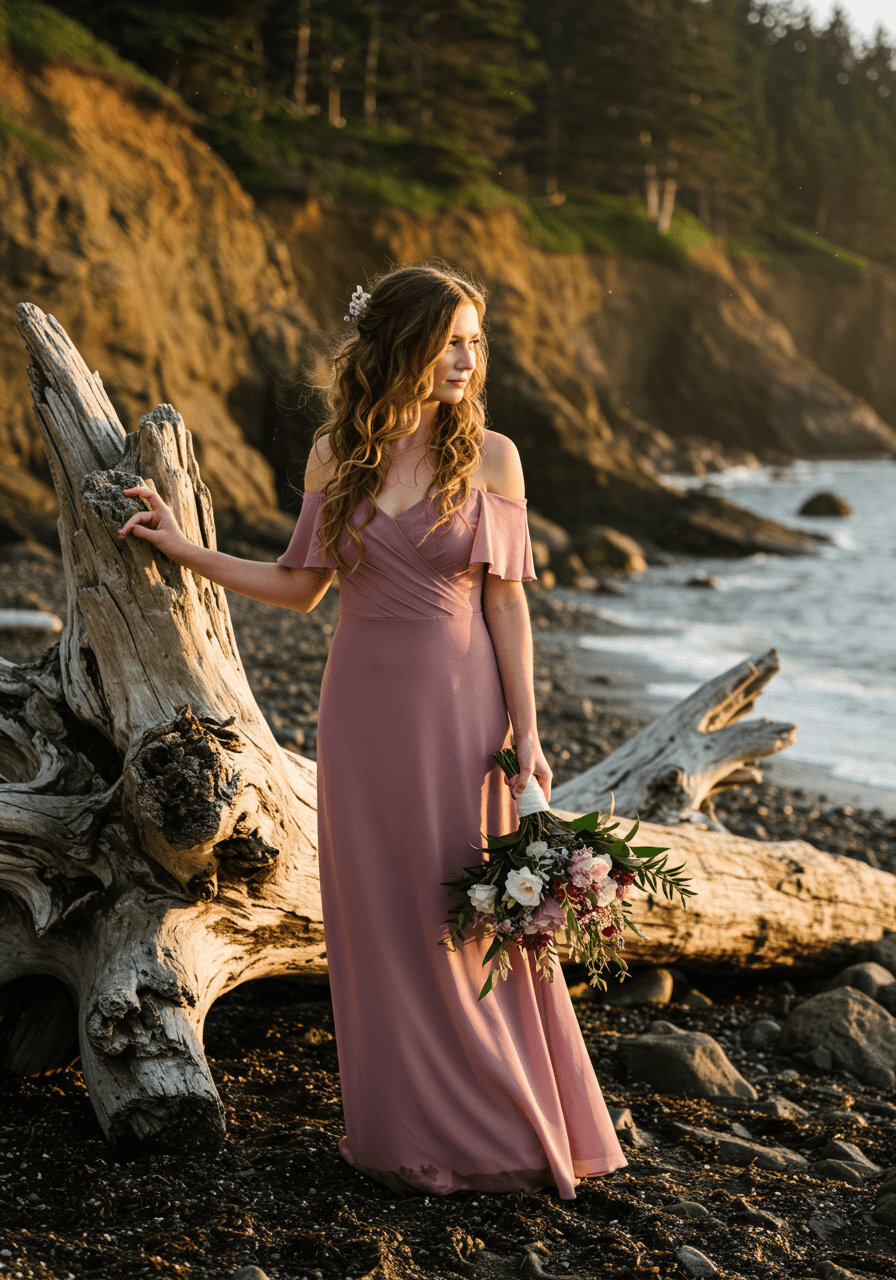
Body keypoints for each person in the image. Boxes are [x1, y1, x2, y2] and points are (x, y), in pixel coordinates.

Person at [118, 263, 626, 1198]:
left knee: (463, 915)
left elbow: (507, 605)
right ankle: (402, 1132)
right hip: (361, 713)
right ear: (404, 345)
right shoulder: (334, 453)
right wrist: (182, 549)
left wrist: (530, 735)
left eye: (476, 342)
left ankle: (507, 1126)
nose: (469, 359)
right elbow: (299, 587)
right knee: (381, 919)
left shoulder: (493, 457)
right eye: (453, 341)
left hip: (462, 713)